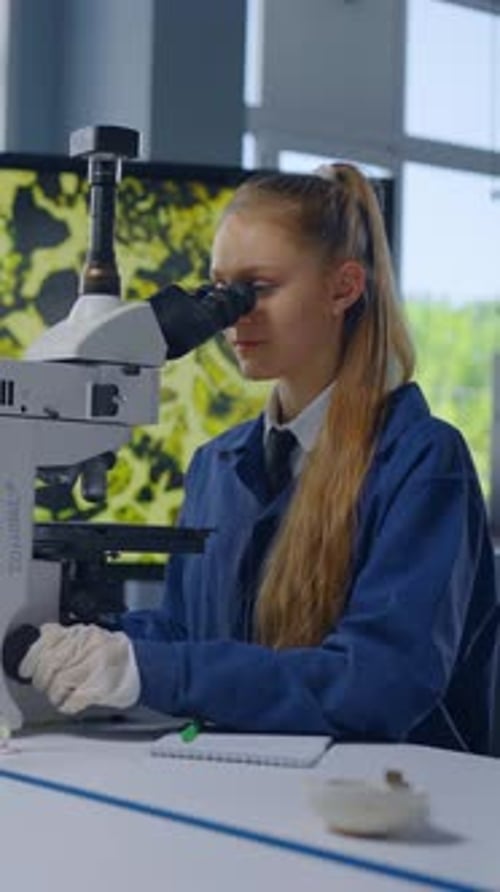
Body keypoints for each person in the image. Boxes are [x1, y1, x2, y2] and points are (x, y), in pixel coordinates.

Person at [20, 163, 499, 754]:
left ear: (343, 288)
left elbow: (381, 683)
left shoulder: (422, 461)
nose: (232, 315)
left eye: (259, 288)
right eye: (220, 289)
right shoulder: (217, 464)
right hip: (251, 780)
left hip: (394, 795)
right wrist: (81, 640)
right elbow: (187, 633)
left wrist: (151, 670)